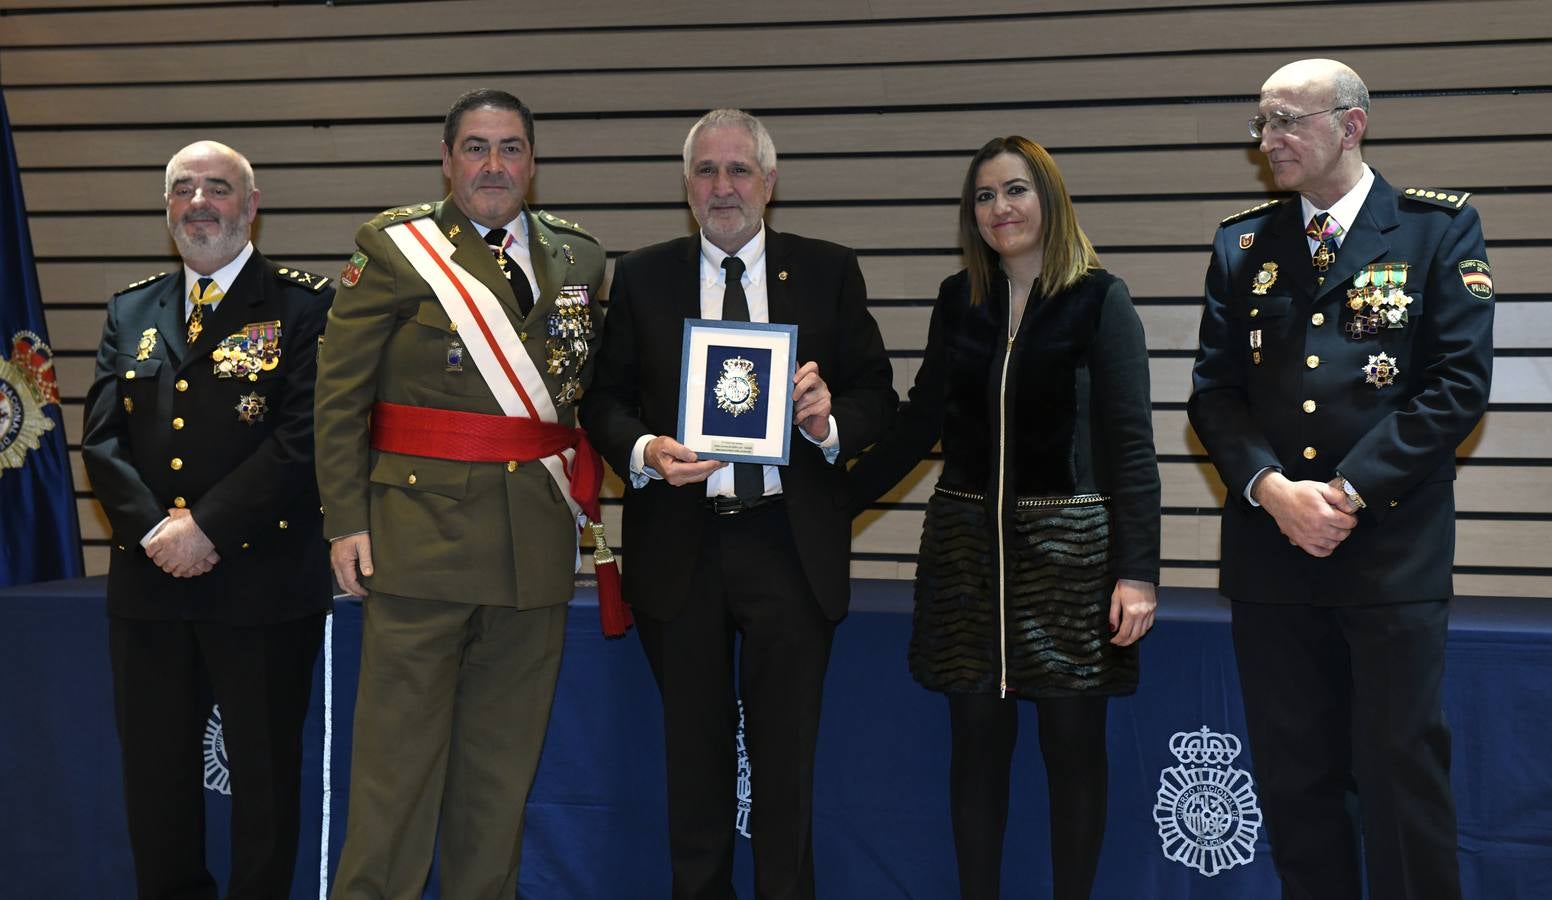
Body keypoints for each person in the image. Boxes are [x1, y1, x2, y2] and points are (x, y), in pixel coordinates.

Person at [1188, 58, 1493, 900]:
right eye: (1261, 122)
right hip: (1273, 559)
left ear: (1351, 125)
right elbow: (1214, 393)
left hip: (1389, 557)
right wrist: (1271, 491)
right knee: (1296, 784)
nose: (1268, 140)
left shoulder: (1437, 230)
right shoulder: (1243, 242)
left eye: (1287, 121)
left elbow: (1458, 386)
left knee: (1400, 782)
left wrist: (1349, 493)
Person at [579, 108, 896, 899]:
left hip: (789, 547)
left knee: (787, 768)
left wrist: (828, 423)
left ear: (770, 182)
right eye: (707, 172)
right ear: (686, 187)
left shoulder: (828, 269)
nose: (723, 187)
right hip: (680, 547)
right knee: (695, 763)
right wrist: (646, 451)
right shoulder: (645, 275)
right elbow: (603, 401)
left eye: (739, 170)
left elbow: (877, 395)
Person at [846, 136, 1159, 900]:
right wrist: (835, 499)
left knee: (1072, 748)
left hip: (1071, 560)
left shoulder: (1100, 299)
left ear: (1048, 199)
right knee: (975, 749)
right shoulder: (962, 299)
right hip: (965, 560)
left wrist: (1139, 573)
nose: (1000, 209)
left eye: (1014, 191)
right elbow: (923, 420)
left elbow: (1131, 447)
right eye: (984, 197)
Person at [313, 88, 607, 899]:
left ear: (533, 164)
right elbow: (339, 399)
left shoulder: (578, 256)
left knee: (498, 786)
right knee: (395, 784)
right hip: (420, 546)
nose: (493, 165)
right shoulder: (398, 247)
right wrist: (345, 521)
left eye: (510, 148)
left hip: (534, 555)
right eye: (476, 148)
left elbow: (577, 398)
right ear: (447, 160)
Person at [81, 140, 333, 899]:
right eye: (183, 189)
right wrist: (158, 533)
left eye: (218, 188)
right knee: (155, 781)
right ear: (167, 209)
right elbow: (101, 439)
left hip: (261, 584)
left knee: (263, 781)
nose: (199, 203)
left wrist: (207, 528)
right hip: (150, 586)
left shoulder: (304, 304)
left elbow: (304, 438)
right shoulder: (132, 309)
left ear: (252, 206)